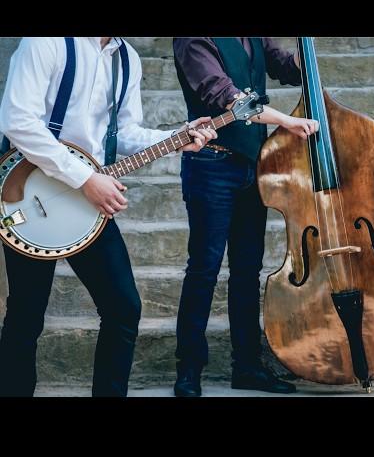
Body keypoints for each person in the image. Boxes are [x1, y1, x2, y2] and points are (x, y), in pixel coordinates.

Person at [0, 37, 215, 397]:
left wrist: (175, 138)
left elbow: (125, 132)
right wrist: (84, 178)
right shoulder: (45, 42)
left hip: (87, 202)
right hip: (30, 192)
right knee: (26, 313)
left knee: (123, 308)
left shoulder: (127, 58)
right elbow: (18, 120)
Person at [172, 37, 318, 396]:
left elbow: (284, 67)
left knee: (247, 269)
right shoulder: (192, 40)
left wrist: (304, 56)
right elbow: (227, 96)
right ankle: (188, 370)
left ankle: (248, 367)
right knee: (204, 268)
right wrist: (285, 121)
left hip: (253, 165)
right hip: (211, 165)